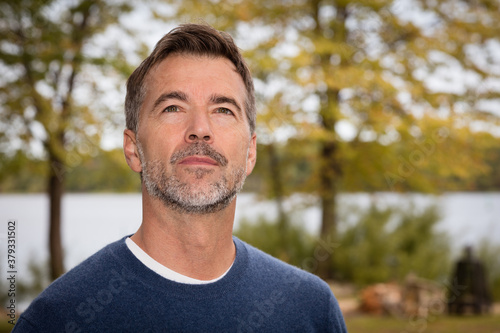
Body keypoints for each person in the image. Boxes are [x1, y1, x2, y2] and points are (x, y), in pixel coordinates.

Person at [13, 23, 347, 332]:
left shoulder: (310, 309)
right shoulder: (56, 319)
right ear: (133, 149)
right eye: (173, 107)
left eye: (223, 110)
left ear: (251, 153)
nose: (200, 130)